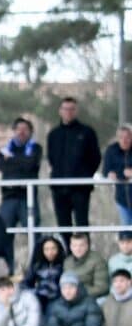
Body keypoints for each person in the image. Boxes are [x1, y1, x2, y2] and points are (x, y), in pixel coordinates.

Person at [46, 96, 101, 231]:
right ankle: (66, 246)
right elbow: (51, 158)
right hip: (59, 187)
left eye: (72, 109)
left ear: (76, 111)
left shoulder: (87, 132)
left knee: (82, 224)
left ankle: (83, 246)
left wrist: (85, 174)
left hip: (80, 188)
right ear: (60, 111)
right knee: (63, 226)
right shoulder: (54, 134)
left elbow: (95, 157)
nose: (68, 112)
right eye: (65, 109)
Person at [0, 117, 41, 229]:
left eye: (25, 129)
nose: (21, 132)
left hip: (28, 197)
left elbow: (30, 165)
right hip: (8, 196)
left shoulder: (36, 148)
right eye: (19, 129)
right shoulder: (5, 149)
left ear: (31, 132)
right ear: (14, 131)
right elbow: (0, 166)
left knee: (32, 231)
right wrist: (24, 160)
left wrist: (11, 159)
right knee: (3, 230)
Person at [23, 233, 67, 308]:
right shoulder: (37, 266)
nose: (50, 252)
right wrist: (34, 292)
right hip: (40, 299)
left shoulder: (64, 265)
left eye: (53, 248)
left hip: (59, 300)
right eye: (46, 249)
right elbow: (25, 284)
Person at [65, 231, 109, 301]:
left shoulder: (97, 260)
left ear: (87, 246)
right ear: (71, 247)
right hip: (71, 298)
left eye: (81, 245)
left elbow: (102, 288)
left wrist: (78, 293)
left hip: (92, 298)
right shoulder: (67, 262)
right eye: (75, 246)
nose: (78, 249)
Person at [103, 125, 132, 227]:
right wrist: (123, 173)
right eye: (121, 137)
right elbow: (106, 171)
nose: (124, 140)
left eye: (127, 137)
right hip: (122, 198)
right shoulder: (111, 150)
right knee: (126, 229)